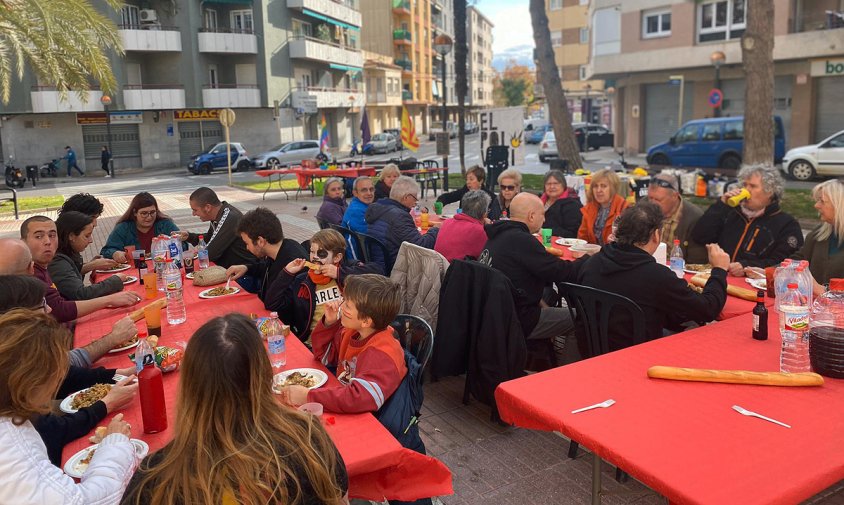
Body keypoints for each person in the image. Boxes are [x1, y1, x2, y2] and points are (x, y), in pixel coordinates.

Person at [121, 313, 348, 505]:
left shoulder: (154, 479)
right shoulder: (309, 438)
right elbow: (340, 496)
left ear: (189, 385)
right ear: (264, 375)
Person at [281, 275, 429, 504]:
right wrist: (329, 324)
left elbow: (362, 398)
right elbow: (326, 357)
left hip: (388, 431)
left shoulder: (381, 352)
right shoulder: (351, 331)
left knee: (405, 492)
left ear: (367, 320)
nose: (340, 305)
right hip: (358, 415)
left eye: (347, 304)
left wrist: (309, 395)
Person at [0, 308, 137, 503]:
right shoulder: (12, 443)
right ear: (32, 380)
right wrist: (116, 443)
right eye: (58, 369)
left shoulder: (13, 412)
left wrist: (113, 375)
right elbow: (86, 501)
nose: (59, 378)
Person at [0, 275, 138, 467]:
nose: (50, 309)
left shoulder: (17, 362)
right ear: (18, 320)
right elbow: (53, 431)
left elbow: (65, 374)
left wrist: (116, 374)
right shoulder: (15, 407)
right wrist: (106, 406)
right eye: (42, 305)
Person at [577, 201, 730, 348]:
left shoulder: (593, 262)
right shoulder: (656, 276)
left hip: (590, 349)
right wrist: (719, 271)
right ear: (656, 235)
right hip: (638, 353)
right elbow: (708, 309)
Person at [479, 193, 582, 343]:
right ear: (532, 216)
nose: (545, 220)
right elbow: (562, 272)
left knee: (548, 295)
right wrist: (588, 260)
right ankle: (567, 367)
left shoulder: (496, 234)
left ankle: (538, 355)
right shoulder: (522, 240)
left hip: (492, 313)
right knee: (582, 319)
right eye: (543, 215)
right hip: (516, 319)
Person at [264, 229, 382, 345]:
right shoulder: (302, 281)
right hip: (312, 344)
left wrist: (339, 273)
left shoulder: (347, 271)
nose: (315, 257)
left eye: (321, 254)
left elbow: (379, 272)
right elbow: (272, 303)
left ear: (337, 258)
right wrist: (287, 273)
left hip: (343, 344)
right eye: (312, 252)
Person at [16, 219, 139, 327]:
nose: (47, 241)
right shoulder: (33, 272)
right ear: (23, 242)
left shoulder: (43, 266)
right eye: (39, 236)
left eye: (52, 235)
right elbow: (60, 309)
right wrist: (109, 299)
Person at [692, 164, 803, 275]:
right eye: (744, 185)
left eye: (753, 186)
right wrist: (721, 205)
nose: (746, 190)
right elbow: (700, 237)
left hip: (753, 286)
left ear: (769, 192)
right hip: (718, 277)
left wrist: (746, 266)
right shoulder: (731, 212)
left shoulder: (787, 224)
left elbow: (784, 263)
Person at [225, 207, 307, 303]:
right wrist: (246, 268)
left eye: (247, 243)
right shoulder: (280, 248)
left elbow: (282, 306)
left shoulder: (293, 264)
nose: (247, 248)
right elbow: (265, 267)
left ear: (260, 241)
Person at [365, 176, 440, 274]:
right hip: (392, 267)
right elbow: (422, 246)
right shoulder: (399, 216)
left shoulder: (380, 207)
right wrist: (435, 230)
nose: (415, 203)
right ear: (406, 197)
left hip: (378, 260)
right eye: (414, 198)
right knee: (439, 263)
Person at [49, 211, 126, 301]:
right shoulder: (57, 261)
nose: (91, 240)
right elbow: (81, 294)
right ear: (71, 236)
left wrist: (91, 264)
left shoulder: (70, 253)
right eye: (87, 235)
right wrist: (115, 280)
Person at [179, 187, 257, 271]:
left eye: (195, 210)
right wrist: (189, 236)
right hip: (230, 270)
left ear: (207, 207)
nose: (193, 214)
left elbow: (210, 254)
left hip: (244, 273)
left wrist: (197, 251)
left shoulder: (229, 217)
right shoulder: (218, 215)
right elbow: (209, 239)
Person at [793, 179, 844, 295]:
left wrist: (824, 292)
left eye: (822, 201)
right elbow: (798, 259)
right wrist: (772, 271)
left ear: (839, 204)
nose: (816, 206)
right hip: (813, 308)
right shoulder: (818, 234)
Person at [101, 192, 180, 263]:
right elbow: (106, 250)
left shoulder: (165, 224)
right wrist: (114, 253)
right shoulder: (123, 228)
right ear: (135, 212)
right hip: (132, 271)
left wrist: (168, 243)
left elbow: (183, 244)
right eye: (144, 213)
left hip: (163, 268)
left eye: (152, 212)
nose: (149, 217)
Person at [647, 173, 707, 264]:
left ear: (675, 196)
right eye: (650, 198)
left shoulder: (695, 217)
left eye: (658, 200)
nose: (652, 203)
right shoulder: (642, 208)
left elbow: (697, 261)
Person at [59, 193, 121, 274]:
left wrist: (91, 264)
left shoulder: (67, 240)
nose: (95, 224)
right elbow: (67, 278)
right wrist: (91, 265)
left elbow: (72, 269)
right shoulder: (55, 244)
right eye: (92, 218)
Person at [434, 190, 490, 261]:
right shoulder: (481, 231)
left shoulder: (446, 223)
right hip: (456, 270)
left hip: (438, 268)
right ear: (484, 214)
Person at [578, 169, 628, 245]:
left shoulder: (624, 209)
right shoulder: (589, 208)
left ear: (613, 189)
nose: (598, 190)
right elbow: (582, 238)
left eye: (603, 186)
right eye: (595, 186)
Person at [435, 165, 501, 220]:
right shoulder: (465, 190)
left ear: (480, 181)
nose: (468, 182)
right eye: (467, 179)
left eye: (471, 179)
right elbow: (449, 196)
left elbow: (495, 216)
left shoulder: (490, 197)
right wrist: (440, 202)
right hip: (463, 224)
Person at [541, 170, 583, 238]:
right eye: (548, 184)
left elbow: (572, 233)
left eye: (556, 183)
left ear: (563, 185)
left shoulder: (572, 205)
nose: (552, 187)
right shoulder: (539, 201)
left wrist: (545, 232)